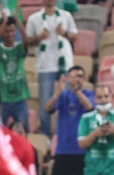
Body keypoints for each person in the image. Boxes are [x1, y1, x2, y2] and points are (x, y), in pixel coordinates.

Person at [26, 0, 78, 138]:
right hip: (45, 65)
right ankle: (46, 137)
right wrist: (39, 37)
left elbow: (74, 36)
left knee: (67, 100)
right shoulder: (34, 18)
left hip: (64, 64)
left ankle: (67, 134)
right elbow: (28, 41)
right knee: (45, 104)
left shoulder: (66, 15)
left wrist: (64, 33)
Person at [45, 66, 95, 175]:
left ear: (85, 79)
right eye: (74, 76)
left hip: (82, 151)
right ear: (67, 78)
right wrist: (58, 93)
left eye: (80, 76)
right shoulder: (63, 95)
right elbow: (47, 108)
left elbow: (89, 107)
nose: (77, 79)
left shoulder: (89, 94)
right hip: (62, 151)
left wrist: (76, 90)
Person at [0, 12, 31, 128]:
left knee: (23, 130)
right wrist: (3, 23)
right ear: (2, 32)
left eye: (12, 31)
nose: (10, 34)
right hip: (2, 99)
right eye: (6, 31)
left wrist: (18, 20)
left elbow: (26, 41)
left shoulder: (19, 47)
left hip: (20, 98)